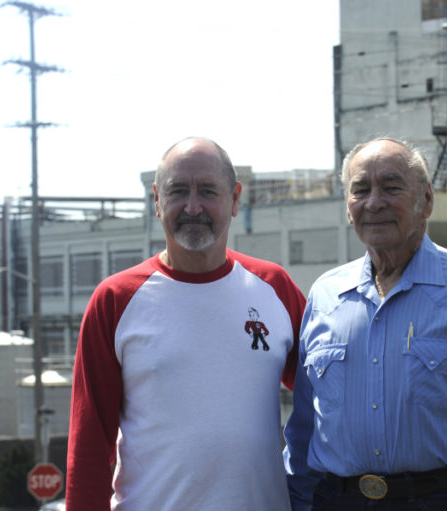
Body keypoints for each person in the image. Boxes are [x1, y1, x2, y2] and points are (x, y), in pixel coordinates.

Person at [283, 137, 447, 510]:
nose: (374, 202)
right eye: (360, 190)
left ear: (426, 200)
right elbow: (302, 433)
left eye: (391, 187)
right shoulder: (326, 295)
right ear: (348, 207)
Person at [66, 137, 305, 510]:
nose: (193, 206)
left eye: (208, 191)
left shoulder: (274, 287)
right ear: (157, 201)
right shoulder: (115, 299)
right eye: (178, 191)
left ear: (236, 199)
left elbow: (327, 397)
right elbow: (89, 445)